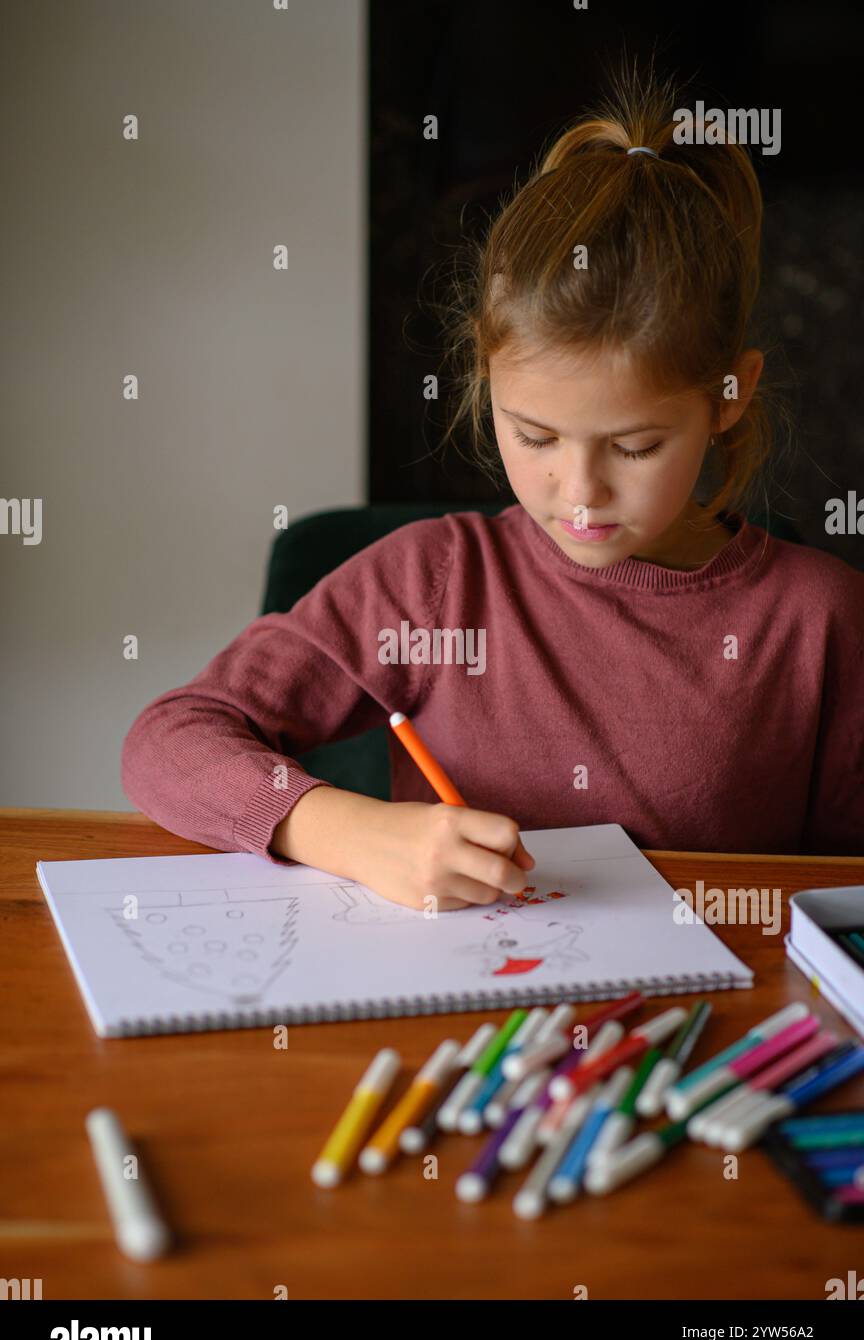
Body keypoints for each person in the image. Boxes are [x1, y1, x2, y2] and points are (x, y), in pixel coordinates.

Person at [122, 68, 864, 911]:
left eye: (635, 445)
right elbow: (167, 741)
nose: (579, 490)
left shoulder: (822, 620)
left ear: (730, 398)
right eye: (536, 437)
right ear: (485, 378)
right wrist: (343, 830)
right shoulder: (434, 586)